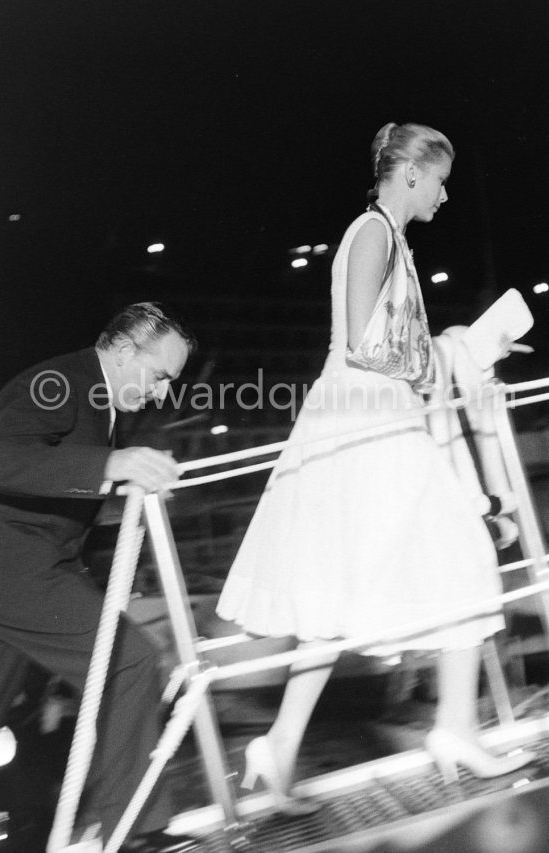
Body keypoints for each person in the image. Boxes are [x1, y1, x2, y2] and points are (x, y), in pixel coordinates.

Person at [216, 123, 535, 813]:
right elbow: (364, 342)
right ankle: (452, 726)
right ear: (413, 174)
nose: (446, 196)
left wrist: (436, 357)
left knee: (341, 593)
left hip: (376, 415)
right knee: (465, 554)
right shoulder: (373, 233)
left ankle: (279, 744)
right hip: (367, 419)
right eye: (441, 180)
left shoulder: (387, 237)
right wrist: (430, 363)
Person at [0, 301, 199, 852]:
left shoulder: (95, 393)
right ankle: (135, 833)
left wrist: (121, 488)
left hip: (30, 566)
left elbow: (49, 489)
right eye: (160, 376)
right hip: (15, 567)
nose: (162, 394)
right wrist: (110, 466)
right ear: (121, 349)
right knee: (131, 659)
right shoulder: (60, 382)